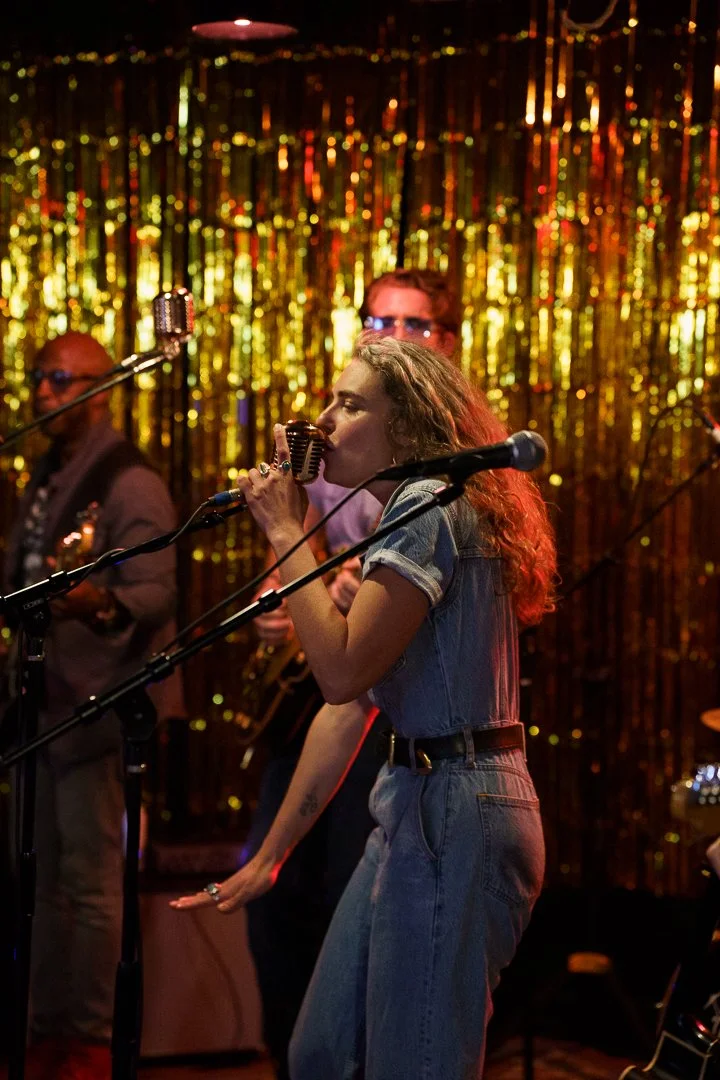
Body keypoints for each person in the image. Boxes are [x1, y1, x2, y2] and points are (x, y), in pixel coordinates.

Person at [173, 333, 556, 1079]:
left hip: (459, 805)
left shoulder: (428, 503)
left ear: (407, 428)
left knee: (414, 1065)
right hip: (412, 798)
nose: (323, 418)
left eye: (350, 404)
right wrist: (271, 858)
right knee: (321, 1054)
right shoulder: (411, 510)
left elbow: (340, 671)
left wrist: (286, 529)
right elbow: (347, 709)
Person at [239, 268, 461, 1080]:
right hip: (336, 686)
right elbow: (321, 551)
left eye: (414, 325)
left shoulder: (454, 474)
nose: (393, 337)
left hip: (404, 715)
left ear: (447, 341)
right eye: (379, 319)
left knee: (346, 891)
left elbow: (379, 615)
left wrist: (317, 565)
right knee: (277, 896)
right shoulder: (352, 436)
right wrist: (285, 590)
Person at [1, 332, 183, 1080]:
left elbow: (154, 594)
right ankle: (43, 1036)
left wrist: (90, 599)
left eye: (57, 380)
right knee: (39, 879)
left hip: (98, 717)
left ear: (99, 388)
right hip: (46, 713)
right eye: (38, 378)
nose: (43, 393)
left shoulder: (128, 479)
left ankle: (84, 1045)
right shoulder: (48, 470)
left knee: (90, 886)